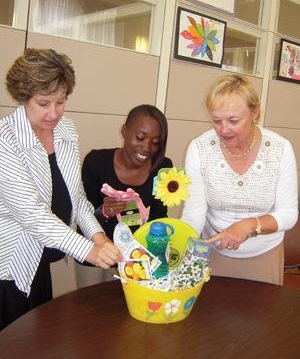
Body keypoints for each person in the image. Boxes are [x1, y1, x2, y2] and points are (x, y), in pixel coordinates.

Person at [0, 48, 122, 330]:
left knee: (36, 340)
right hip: (9, 263)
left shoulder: (67, 131)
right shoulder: (6, 141)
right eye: (44, 103)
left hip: (38, 259)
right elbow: (33, 215)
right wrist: (87, 250)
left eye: (61, 102)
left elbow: (77, 197)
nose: (53, 113)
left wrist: (98, 236)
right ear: (23, 96)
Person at [181, 73, 298, 285]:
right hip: (215, 251)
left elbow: (288, 214)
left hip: (264, 253)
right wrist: (180, 249)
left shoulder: (280, 149)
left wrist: (249, 225)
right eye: (216, 120)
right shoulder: (200, 148)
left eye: (233, 120)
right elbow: (194, 213)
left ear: (255, 112)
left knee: (262, 316)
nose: (223, 129)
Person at [76, 104, 173, 286]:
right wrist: (104, 212)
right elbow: (83, 215)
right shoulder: (96, 162)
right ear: (124, 131)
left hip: (135, 255)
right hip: (95, 250)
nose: (147, 148)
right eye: (140, 137)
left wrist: (151, 252)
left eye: (155, 142)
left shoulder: (162, 167)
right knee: (91, 306)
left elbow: (158, 216)